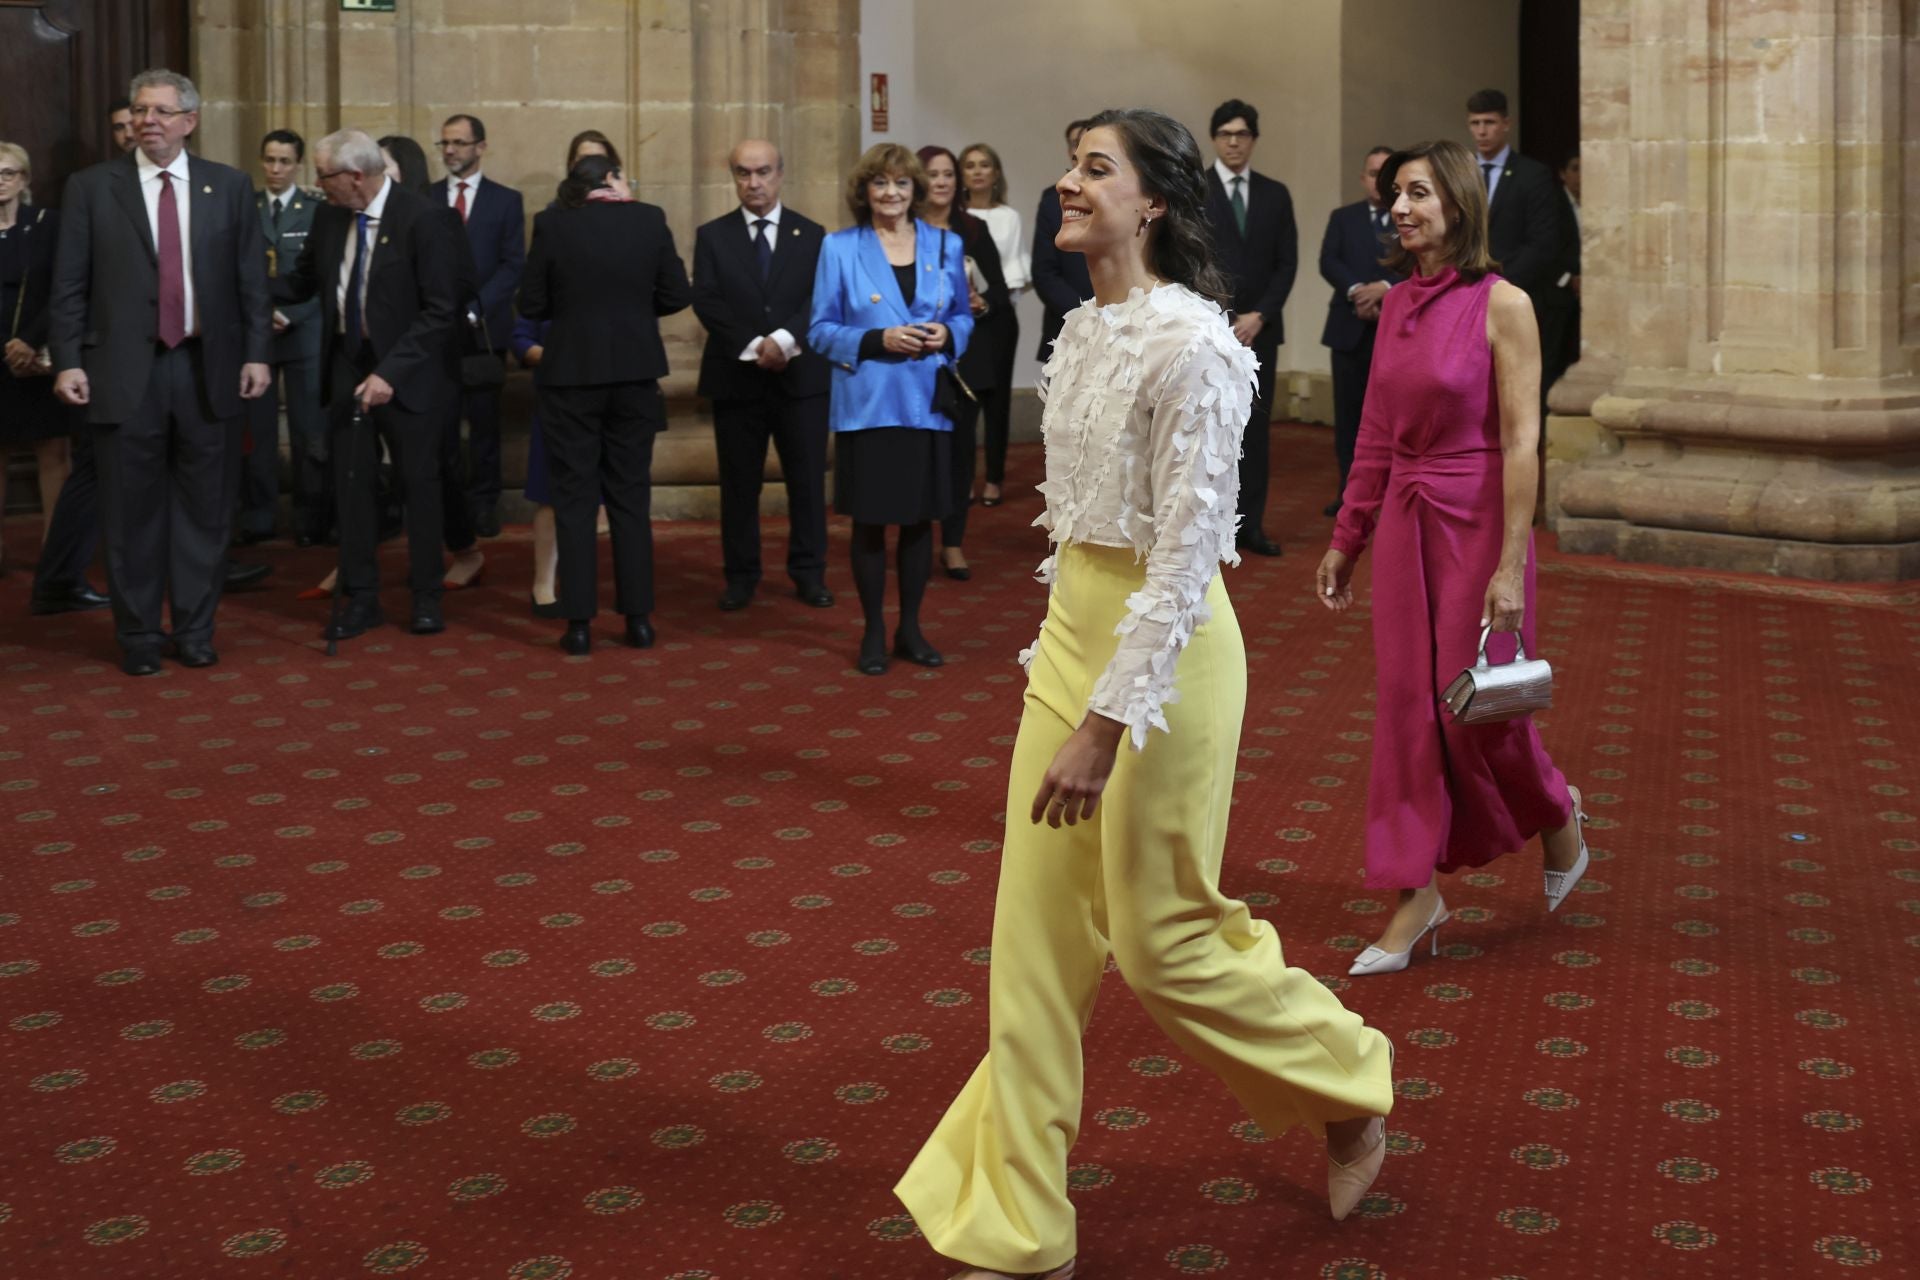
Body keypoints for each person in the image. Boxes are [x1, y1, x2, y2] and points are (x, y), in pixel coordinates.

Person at [896, 109, 1394, 1280]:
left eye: (1093, 168)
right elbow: (1077, 535)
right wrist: (1061, 677)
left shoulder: (1199, 347)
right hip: (1070, 636)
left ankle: (1348, 1080)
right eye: (1069, 163)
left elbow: (1183, 560)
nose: (1066, 182)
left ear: (1154, 201)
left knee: (1165, 944)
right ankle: (1021, 1228)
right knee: (1030, 945)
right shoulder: (1079, 327)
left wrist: (1107, 722)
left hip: (1169, 661)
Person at [1314, 139, 1591, 978]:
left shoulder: (1504, 302)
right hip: (1404, 518)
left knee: (1471, 710)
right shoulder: (1395, 302)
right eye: (1396, 193)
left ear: (1459, 206)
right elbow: (1372, 432)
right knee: (1407, 712)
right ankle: (1414, 894)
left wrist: (1513, 563)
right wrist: (1346, 536)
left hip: (1477, 518)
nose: (1401, 208)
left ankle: (1557, 812)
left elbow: (1520, 442)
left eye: (1420, 194)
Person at [49, 70, 273, 676]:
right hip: (125, 373)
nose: (148, 120)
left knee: (206, 511)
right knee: (131, 515)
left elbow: (252, 282)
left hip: (209, 369)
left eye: (161, 111)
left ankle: (196, 629)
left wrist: (257, 352)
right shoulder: (92, 188)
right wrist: (66, 358)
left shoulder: (228, 187)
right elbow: (68, 284)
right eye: (140, 110)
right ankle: (140, 636)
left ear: (189, 121)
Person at [273, 129, 465, 642]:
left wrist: (390, 374)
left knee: (418, 487)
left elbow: (440, 310)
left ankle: (426, 596)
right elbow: (302, 282)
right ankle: (361, 597)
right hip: (346, 365)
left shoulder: (424, 219)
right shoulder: (330, 215)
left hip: (411, 373)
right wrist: (243, 280)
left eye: (323, 175)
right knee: (352, 486)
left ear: (356, 177)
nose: (317, 185)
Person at [808, 144, 973, 675]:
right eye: (880, 183)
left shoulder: (946, 243)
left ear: (915, 191)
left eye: (901, 184)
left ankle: (911, 628)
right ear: (865, 191)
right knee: (871, 524)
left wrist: (948, 332)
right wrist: (880, 338)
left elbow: (964, 320)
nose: (891, 193)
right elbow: (820, 330)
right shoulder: (839, 248)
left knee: (922, 522)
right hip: (870, 404)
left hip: (927, 403)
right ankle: (874, 631)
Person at [517, 154, 690, 654]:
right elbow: (678, 293)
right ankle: (638, 620)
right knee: (630, 500)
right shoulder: (648, 218)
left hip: (571, 376)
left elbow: (530, 304)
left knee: (573, 500)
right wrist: (635, 309)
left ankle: (578, 626)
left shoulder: (552, 224)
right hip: (635, 375)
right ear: (612, 178)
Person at [692, 138, 834, 613]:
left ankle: (809, 572)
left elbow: (820, 298)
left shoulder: (812, 234)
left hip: (800, 379)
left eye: (763, 172)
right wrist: (756, 347)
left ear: (780, 173)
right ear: (733, 176)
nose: (753, 182)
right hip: (738, 379)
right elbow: (707, 299)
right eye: (743, 173)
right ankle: (741, 575)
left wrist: (785, 341)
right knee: (738, 484)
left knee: (807, 482)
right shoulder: (713, 235)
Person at [517, 130, 624, 618]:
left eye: (600, 168)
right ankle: (545, 583)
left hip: (614, 380)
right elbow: (525, 319)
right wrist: (544, 353)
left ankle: (621, 591)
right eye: (582, 167)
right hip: (561, 378)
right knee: (551, 491)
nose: (592, 177)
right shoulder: (551, 226)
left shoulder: (635, 227)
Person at [1203, 98, 1296, 558]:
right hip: (1208, 330)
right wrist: (1220, 318)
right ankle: (1210, 528)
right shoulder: (1195, 191)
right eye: (1225, 134)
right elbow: (1189, 262)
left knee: (1255, 434)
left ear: (1253, 140)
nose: (1234, 142)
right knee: (1209, 430)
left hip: (1260, 331)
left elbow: (1287, 263)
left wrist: (1260, 315)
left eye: (1242, 134)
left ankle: (1250, 526)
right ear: (1214, 139)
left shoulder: (1275, 194)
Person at [919, 144, 1010, 581]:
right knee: (917, 456)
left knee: (959, 458)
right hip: (912, 359)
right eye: (932, 174)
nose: (941, 182)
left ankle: (953, 544)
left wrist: (981, 302)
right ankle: (914, 536)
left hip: (963, 360)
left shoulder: (972, 230)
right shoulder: (902, 228)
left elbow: (999, 292)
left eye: (947, 175)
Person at [437, 112, 524, 539]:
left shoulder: (506, 201)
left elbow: (512, 266)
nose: (450, 150)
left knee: (485, 425)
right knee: (443, 426)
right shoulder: (426, 196)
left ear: (480, 147)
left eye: (458, 143)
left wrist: (474, 310)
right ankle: (450, 508)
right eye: (445, 143)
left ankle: (485, 503)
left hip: (484, 333)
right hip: (437, 333)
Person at [239, 129, 328, 546]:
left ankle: (311, 518)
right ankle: (259, 515)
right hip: (257, 334)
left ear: (299, 165)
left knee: (309, 428)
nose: (275, 169)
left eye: (284, 162)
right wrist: (261, 315)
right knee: (257, 432)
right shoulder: (246, 206)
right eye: (269, 160)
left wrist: (290, 313)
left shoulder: (315, 210)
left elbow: (324, 277)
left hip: (304, 331)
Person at [0, 143, 74, 577]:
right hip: (1, 358)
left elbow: (64, 289)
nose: (1, 181)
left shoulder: (48, 225)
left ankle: (55, 551)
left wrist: (28, 341)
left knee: (53, 452)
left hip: (39, 354)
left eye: (10, 173)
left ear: (24, 180)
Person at [1317, 145, 1400, 516]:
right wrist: (1358, 291)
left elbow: (1416, 264)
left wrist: (1384, 288)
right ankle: (1348, 493)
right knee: (1349, 417)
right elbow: (1328, 261)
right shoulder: (1343, 217)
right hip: (1348, 328)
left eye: (1385, 173)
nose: (1376, 180)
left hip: (1395, 330)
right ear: (1363, 178)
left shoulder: (1406, 217)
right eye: (1371, 173)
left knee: (1392, 419)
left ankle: (1391, 495)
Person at [958, 142, 1026, 506]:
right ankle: (964, 476)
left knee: (997, 402)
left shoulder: (1008, 217)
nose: (978, 171)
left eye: (985, 164)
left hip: (997, 317)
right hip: (960, 320)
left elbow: (1014, 270)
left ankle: (994, 479)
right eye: (970, 165)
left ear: (995, 173)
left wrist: (987, 302)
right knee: (964, 403)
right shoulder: (951, 217)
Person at [1029, 119, 1093, 381]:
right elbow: (1044, 273)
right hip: (1067, 326)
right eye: (1075, 144)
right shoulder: (1052, 200)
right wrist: (1083, 315)